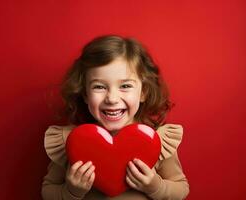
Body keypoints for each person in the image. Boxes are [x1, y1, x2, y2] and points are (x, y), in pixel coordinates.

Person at [42, 35, 189, 200]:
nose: (112, 98)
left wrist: (155, 186)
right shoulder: (70, 142)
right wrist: (72, 191)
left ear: (143, 92)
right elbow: (47, 192)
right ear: (85, 94)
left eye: (125, 86)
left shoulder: (158, 141)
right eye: (99, 86)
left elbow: (181, 189)